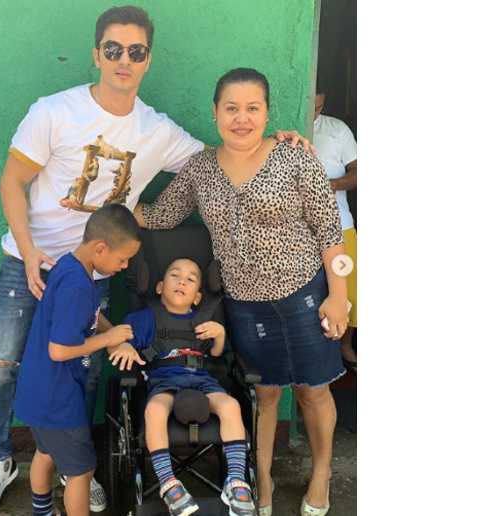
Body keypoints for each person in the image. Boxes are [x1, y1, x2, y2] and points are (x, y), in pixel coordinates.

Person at [0, 5, 311, 515]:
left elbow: (220, 157)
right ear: (96, 55)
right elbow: (11, 182)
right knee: (3, 365)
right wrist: (30, 247)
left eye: (136, 51)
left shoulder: (157, 130)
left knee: (85, 370)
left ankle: (75, 466)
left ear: (148, 59)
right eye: (113, 49)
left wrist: (275, 143)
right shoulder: (54, 111)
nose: (123, 59)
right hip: (29, 261)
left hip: (94, 271)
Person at [134, 68, 348, 516]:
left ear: (267, 114)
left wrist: (338, 294)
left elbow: (329, 229)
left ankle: (322, 473)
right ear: (215, 113)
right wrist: (110, 199)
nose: (241, 118)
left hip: (305, 294)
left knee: (312, 391)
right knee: (264, 394)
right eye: (231, 108)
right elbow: (160, 215)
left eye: (253, 108)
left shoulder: (294, 157)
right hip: (245, 305)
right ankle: (261, 478)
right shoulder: (201, 168)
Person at [12, 204, 141, 516]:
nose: (125, 266)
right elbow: (59, 350)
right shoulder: (78, 287)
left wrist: (114, 337)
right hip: (58, 398)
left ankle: (43, 513)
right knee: (82, 472)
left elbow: (91, 316)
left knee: (45, 454)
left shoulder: (71, 268)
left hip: (38, 390)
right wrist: (107, 340)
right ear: (100, 248)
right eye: (122, 259)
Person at [110, 258, 257, 516]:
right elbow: (122, 338)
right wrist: (124, 346)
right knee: (155, 409)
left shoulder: (204, 319)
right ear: (159, 287)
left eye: (191, 279)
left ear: (198, 296)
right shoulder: (145, 318)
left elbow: (216, 357)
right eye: (175, 275)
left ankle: (235, 480)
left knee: (231, 405)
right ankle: (168, 483)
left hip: (202, 380)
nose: (182, 281)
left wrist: (220, 335)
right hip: (164, 382)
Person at [313, 77, 358, 371]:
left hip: (340, 225)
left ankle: (345, 345)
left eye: (319, 108)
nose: (314, 113)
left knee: (351, 290)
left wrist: (335, 184)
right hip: (299, 232)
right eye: (310, 107)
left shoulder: (337, 129)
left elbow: (359, 172)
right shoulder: (283, 131)